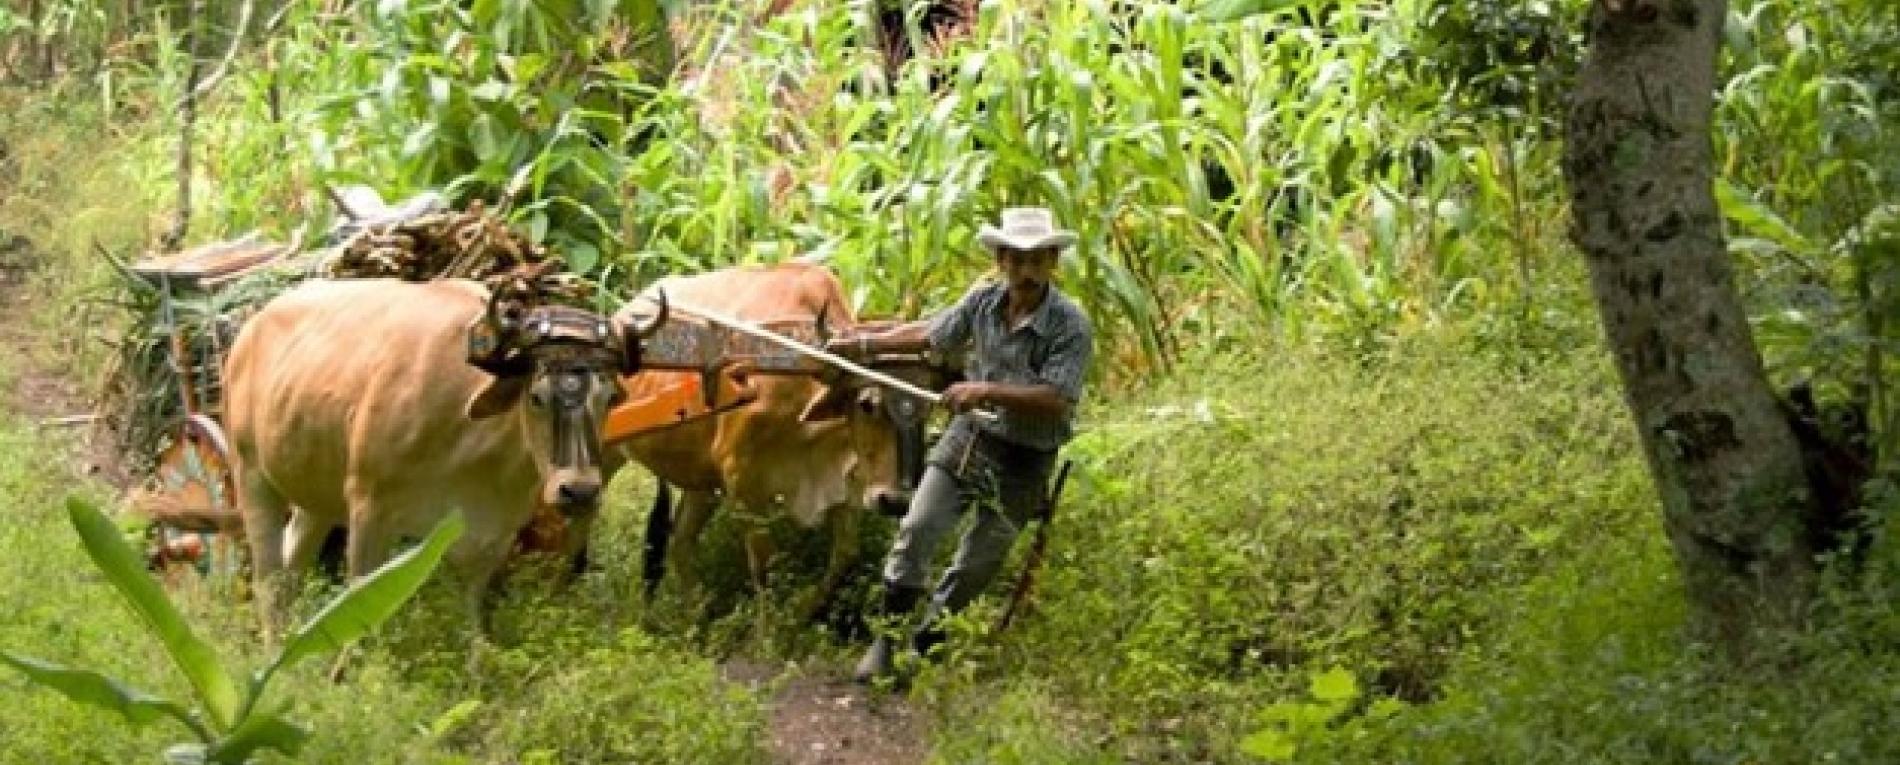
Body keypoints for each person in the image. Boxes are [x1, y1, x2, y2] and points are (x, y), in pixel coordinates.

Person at [828, 206, 1095, 683]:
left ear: (1053, 261)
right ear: (1000, 260)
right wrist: (865, 346)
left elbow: (1057, 398)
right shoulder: (983, 302)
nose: (1026, 271)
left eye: (1037, 260)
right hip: (970, 439)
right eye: (1016, 259)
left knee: (977, 563)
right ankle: (885, 642)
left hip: (1026, 458)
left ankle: (926, 645)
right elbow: (933, 335)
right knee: (917, 528)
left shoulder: (1069, 324)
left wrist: (985, 391)